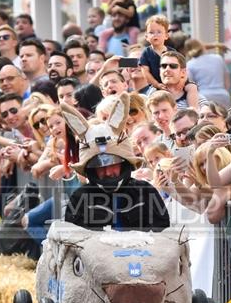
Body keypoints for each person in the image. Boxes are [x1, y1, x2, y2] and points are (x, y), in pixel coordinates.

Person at [61, 94, 169, 231]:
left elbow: (163, 232)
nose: (107, 172)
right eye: (99, 167)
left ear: (124, 163)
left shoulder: (144, 191)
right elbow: (72, 241)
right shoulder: (80, 198)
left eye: (112, 165)